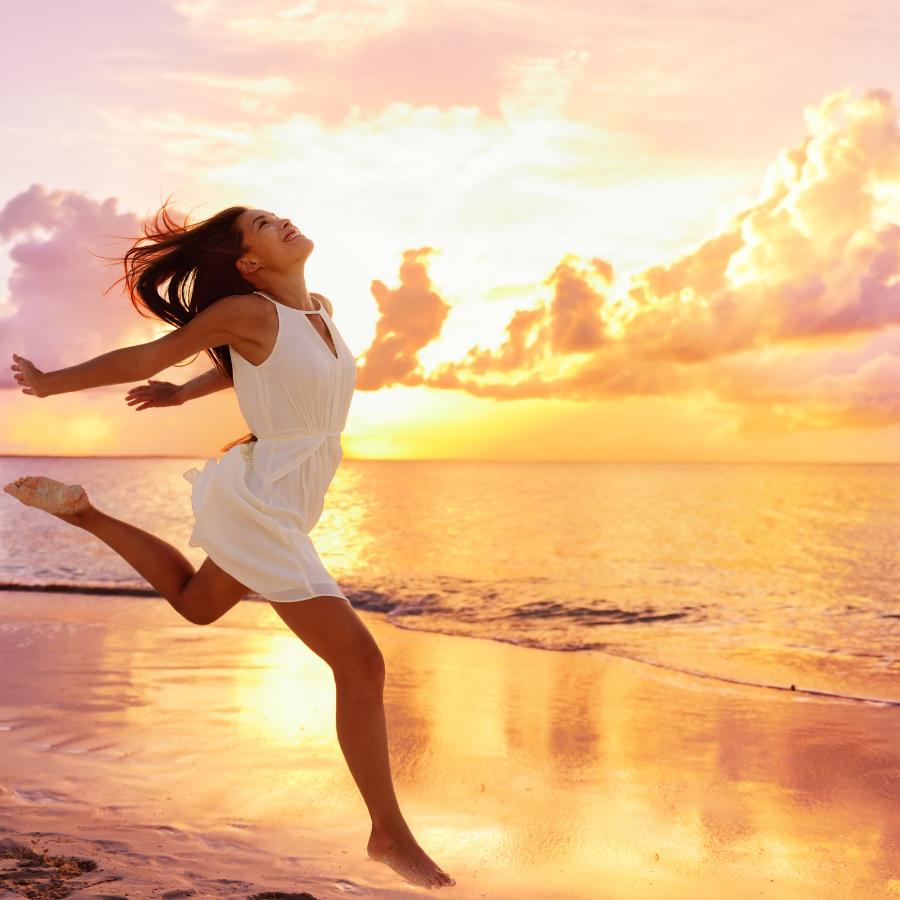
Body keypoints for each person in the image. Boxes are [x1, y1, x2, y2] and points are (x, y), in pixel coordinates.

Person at [3, 205, 455, 890]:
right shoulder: (243, 311)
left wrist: (185, 396)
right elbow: (144, 355)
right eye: (267, 227)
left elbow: (265, 369)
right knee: (360, 663)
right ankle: (388, 834)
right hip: (267, 495)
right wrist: (50, 382)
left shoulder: (319, 310)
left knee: (199, 602)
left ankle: (86, 513)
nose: (286, 223)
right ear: (247, 265)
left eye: (279, 216)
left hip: (295, 494)